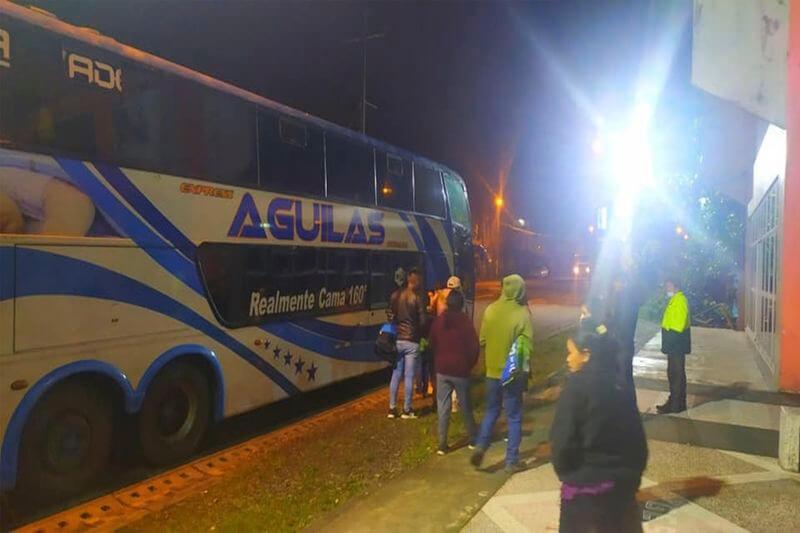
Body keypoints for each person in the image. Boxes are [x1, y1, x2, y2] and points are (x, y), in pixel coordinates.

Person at [550, 317, 648, 533]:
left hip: (585, 497)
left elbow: (562, 441)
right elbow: (638, 442)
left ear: (586, 354)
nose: (568, 359)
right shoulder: (621, 385)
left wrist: (569, 475)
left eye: (571, 352)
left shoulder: (576, 388)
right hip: (621, 494)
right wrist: (630, 480)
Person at [470, 274, 533, 473]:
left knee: (491, 411)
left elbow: (482, 340)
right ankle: (511, 460)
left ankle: (481, 445)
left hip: (492, 373)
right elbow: (528, 347)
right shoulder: (523, 313)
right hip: (511, 374)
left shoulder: (490, 310)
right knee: (514, 416)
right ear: (520, 291)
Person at [429, 289, 478, 454]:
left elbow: (432, 343)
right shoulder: (465, 322)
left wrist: (439, 359)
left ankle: (442, 444)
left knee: (443, 407)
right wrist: (469, 364)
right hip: (460, 369)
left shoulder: (439, 321)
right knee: (465, 406)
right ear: (461, 304)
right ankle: (473, 438)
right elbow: (473, 347)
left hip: (442, 369)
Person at [387, 268, 430, 419]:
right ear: (416, 281)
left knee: (396, 374)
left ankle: (392, 409)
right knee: (409, 375)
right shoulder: (416, 298)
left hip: (398, 340)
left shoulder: (395, 295)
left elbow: (390, 316)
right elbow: (423, 321)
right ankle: (407, 410)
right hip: (412, 341)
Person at [657, 279, 691, 414]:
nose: (666, 288)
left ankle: (676, 404)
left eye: (669, 286)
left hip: (676, 343)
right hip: (674, 344)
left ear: (676, 286)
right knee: (674, 373)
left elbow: (680, 323)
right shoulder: (675, 300)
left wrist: (670, 333)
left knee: (676, 374)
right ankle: (675, 401)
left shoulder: (680, 300)